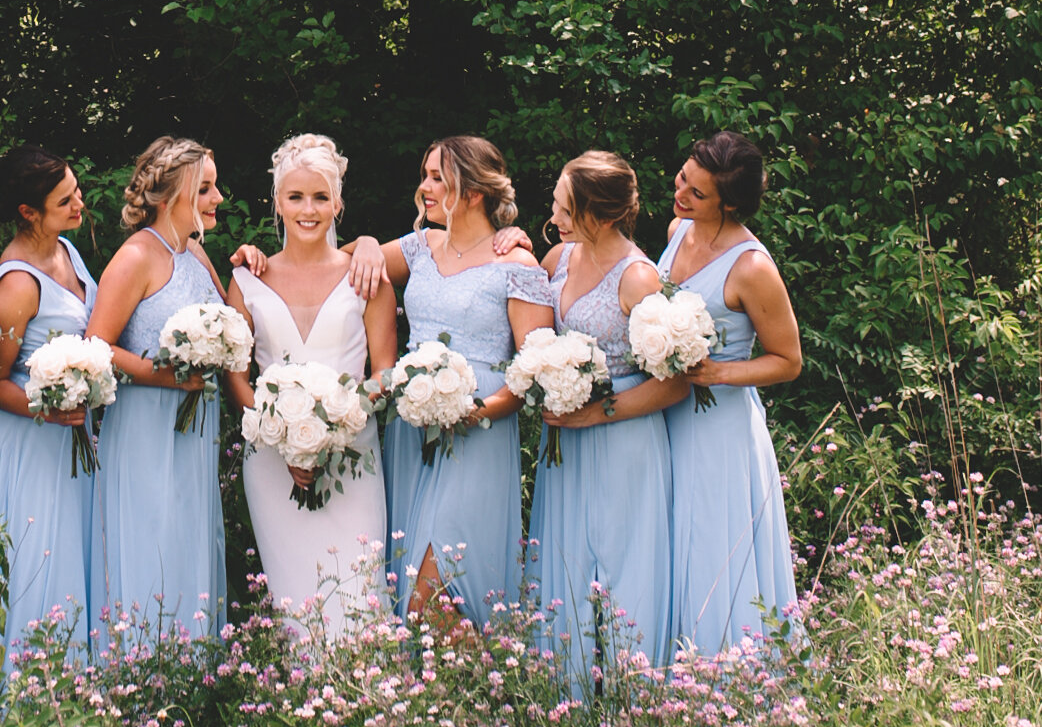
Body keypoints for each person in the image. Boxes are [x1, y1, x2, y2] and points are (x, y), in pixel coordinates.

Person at [234, 138, 533, 612]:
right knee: (406, 568)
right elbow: (339, 253)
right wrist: (371, 242)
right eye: (426, 174)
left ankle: (480, 674)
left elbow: (532, 364)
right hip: (414, 430)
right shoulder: (420, 246)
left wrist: (478, 411)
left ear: (475, 191)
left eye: (438, 178)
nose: (424, 188)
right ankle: (420, 680)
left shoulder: (515, 261)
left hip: (478, 423)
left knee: (442, 584)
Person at [224, 135, 396, 641]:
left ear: (338, 202)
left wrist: (336, 427)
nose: (308, 209)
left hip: (352, 451)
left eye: (320, 197)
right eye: (295, 197)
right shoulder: (248, 278)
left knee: (356, 581)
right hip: (271, 457)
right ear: (276, 202)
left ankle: (368, 695)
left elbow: (383, 370)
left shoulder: (366, 277)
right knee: (293, 588)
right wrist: (280, 433)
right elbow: (236, 373)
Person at [525, 151, 685, 688]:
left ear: (601, 213)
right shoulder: (559, 259)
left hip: (623, 440)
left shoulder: (638, 279)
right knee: (565, 561)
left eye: (565, 205)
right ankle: (566, 698)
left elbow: (675, 382)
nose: (554, 214)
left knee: (624, 565)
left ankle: (634, 696)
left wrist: (600, 410)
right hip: (566, 441)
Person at [87, 137, 237, 649]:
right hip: (146, 422)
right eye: (207, 189)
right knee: (151, 531)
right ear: (172, 195)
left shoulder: (193, 252)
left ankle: (192, 663)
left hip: (195, 424)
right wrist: (166, 375)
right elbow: (97, 345)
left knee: (188, 533)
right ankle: (142, 663)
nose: (218, 199)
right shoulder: (136, 256)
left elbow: (230, 316)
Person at [657, 130, 801, 655]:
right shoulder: (678, 230)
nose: (681, 194)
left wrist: (720, 373)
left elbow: (788, 360)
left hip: (718, 426)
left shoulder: (752, 267)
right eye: (683, 179)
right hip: (665, 412)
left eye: (696, 192)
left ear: (731, 203)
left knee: (712, 543)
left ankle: (725, 674)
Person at [0, 146, 98, 665]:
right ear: (29, 212)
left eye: (75, 191)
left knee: (73, 551)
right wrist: (47, 408)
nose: (79, 203)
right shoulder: (18, 283)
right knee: (37, 556)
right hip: (28, 441)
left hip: (72, 438)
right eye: (64, 199)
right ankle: (26, 687)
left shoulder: (68, 251)